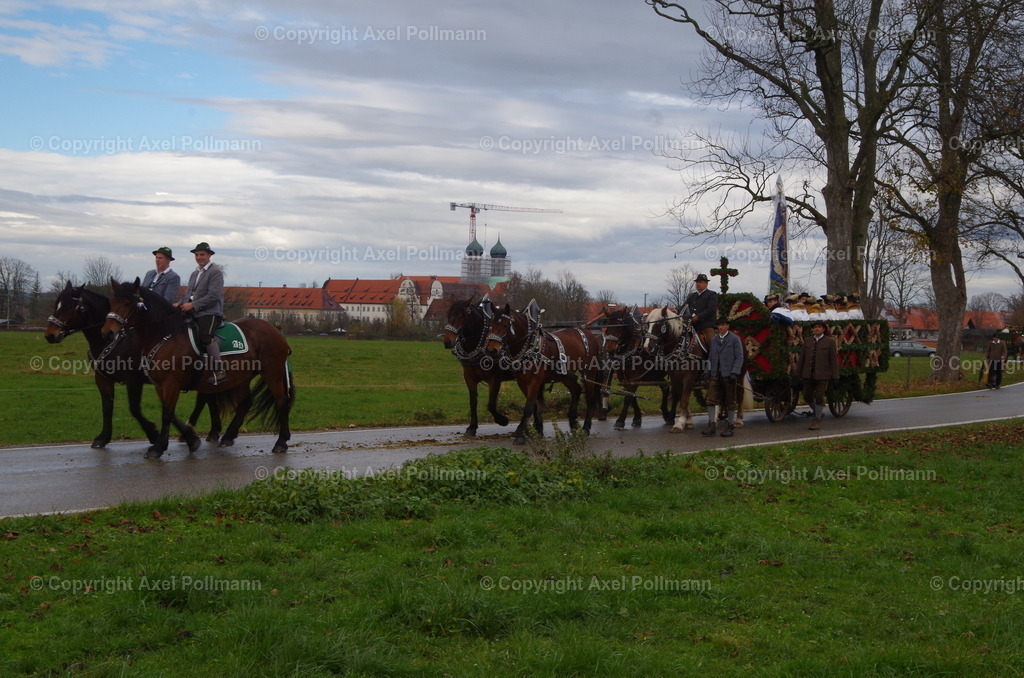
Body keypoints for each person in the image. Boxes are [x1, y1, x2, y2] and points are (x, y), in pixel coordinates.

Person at [174, 242, 226, 384]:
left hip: (210, 312)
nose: (199, 257)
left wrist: (193, 305)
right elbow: (188, 293)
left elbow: (213, 296)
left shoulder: (215, 272)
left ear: (209, 255)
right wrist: (178, 303)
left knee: (205, 334)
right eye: (197, 255)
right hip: (192, 310)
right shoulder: (195, 273)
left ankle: (219, 369)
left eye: (202, 254)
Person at [702, 318, 744, 438]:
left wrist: (735, 372)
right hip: (715, 374)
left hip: (728, 374)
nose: (721, 327)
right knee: (710, 400)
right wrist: (707, 371)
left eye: (723, 325)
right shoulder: (714, 340)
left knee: (730, 401)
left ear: (727, 326)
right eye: (719, 325)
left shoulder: (735, 339)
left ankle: (730, 425)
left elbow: (739, 357)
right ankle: (711, 425)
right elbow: (710, 357)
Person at [796, 319, 839, 431]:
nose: (817, 329)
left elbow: (833, 360)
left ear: (823, 329)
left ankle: (817, 420)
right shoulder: (808, 341)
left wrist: (835, 376)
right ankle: (818, 411)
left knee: (819, 396)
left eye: (819, 327)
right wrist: (798, 372)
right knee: (806, 395)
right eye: (815, 327)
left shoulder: (830, 342)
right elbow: (802, 358)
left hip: (823, 374)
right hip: (808, 373)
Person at [683, 273, 719, 347]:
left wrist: (698, 317)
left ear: (706, 284)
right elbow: (684, 307)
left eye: (700, 282)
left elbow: (711, 310)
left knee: (712, 342)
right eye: (697, 282)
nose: (698, 284)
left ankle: (715, 357)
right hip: (691, 325)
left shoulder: (712, 295)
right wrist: (676, 311)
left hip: (706, 325)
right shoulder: (691, 296)